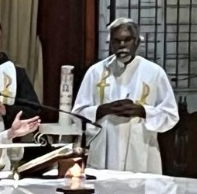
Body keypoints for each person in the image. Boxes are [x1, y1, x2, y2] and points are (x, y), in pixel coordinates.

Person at [72, 17, 178, 173]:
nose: (122, 45)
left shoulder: (154, 72)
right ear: (110, 44)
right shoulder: (96, 72)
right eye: (116, 41)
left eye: (127, 40)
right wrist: (104, 109)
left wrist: (142, 111)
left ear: (137, 42)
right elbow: (77, 114)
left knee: (140, 186)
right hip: (104, 150)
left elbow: (171, 115)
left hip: (140, 150)